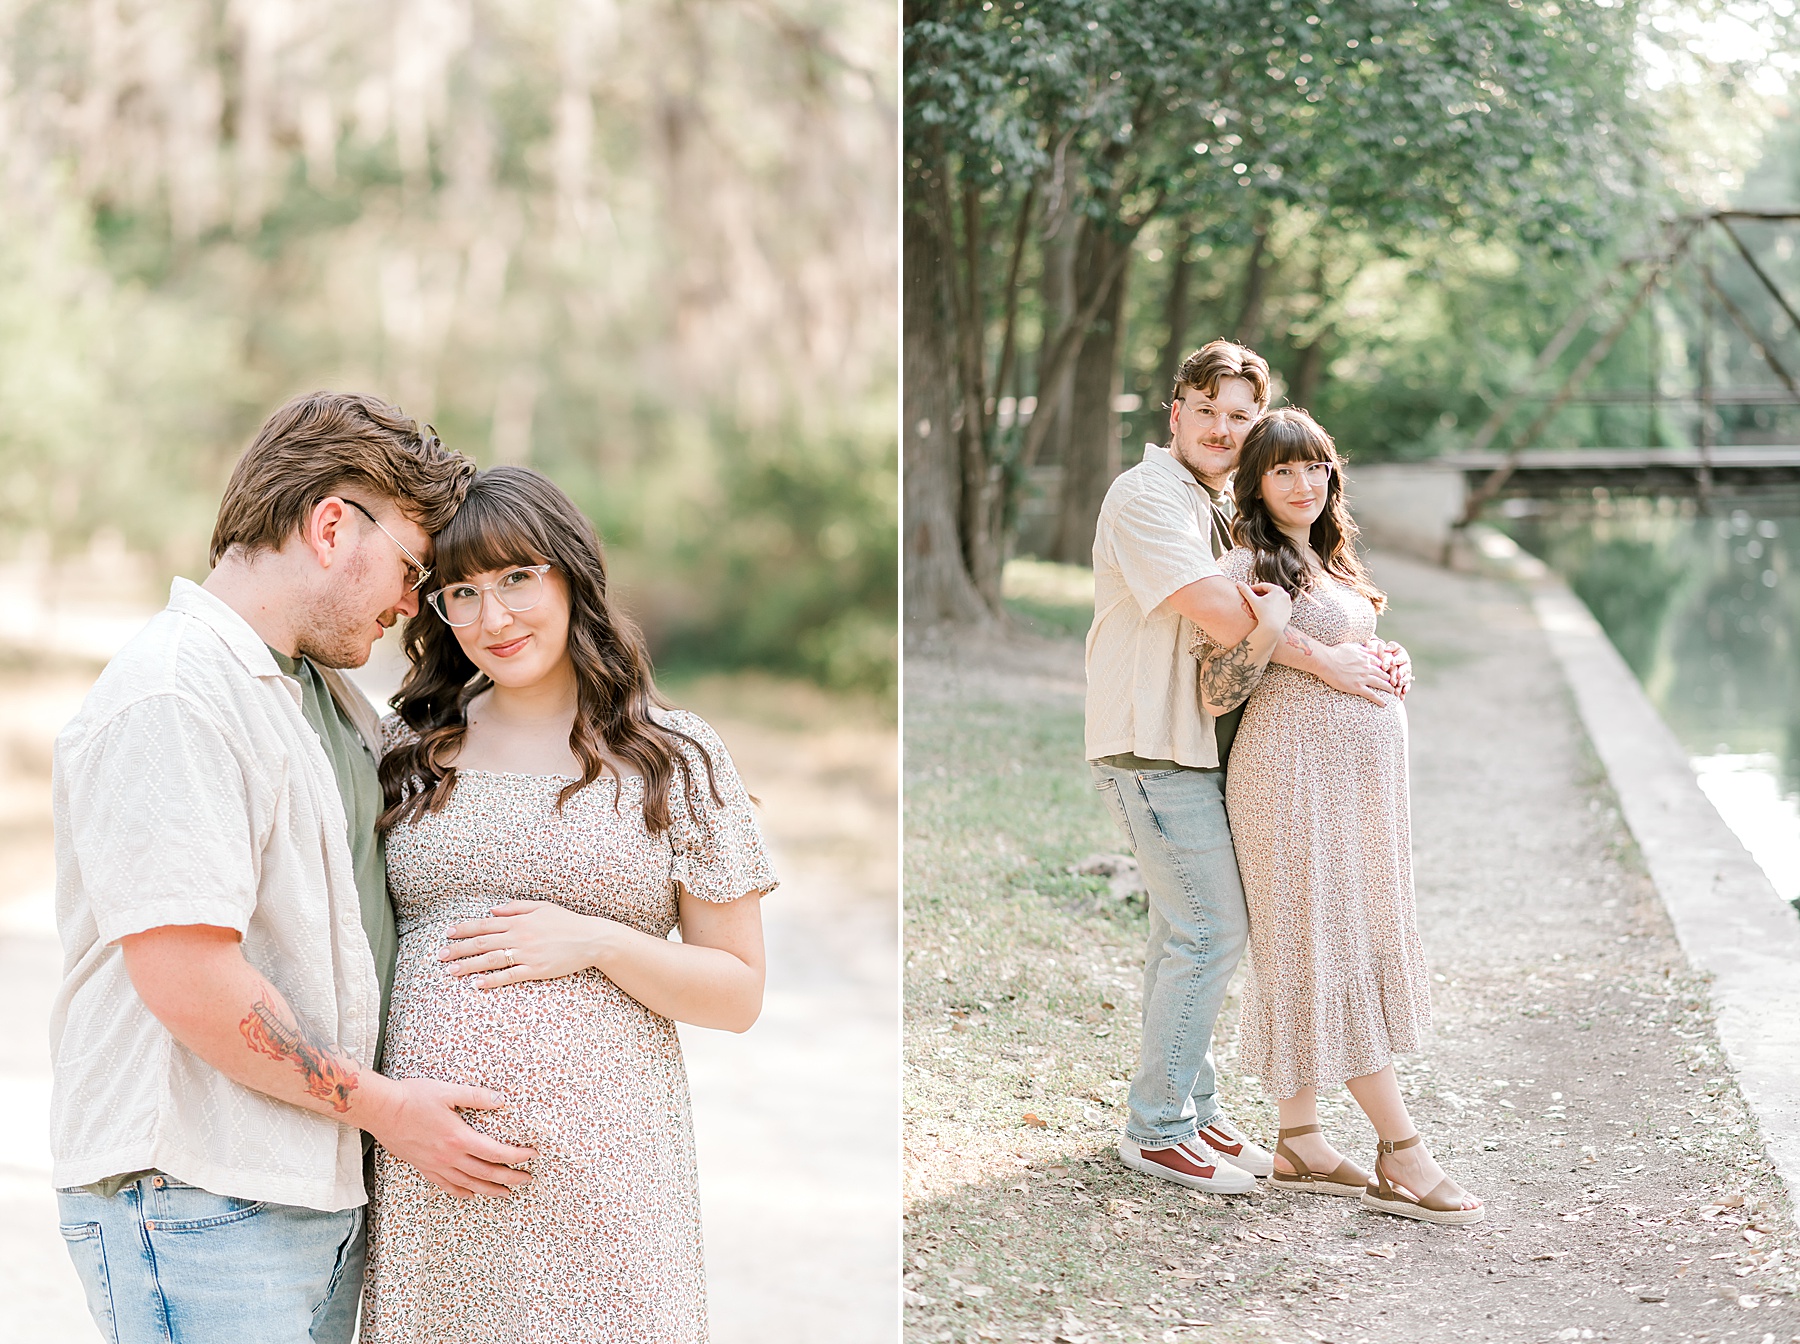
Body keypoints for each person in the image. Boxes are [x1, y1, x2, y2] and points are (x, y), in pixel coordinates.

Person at [49, 392, 540, 1343]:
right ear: (327, 526)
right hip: (197, 1197)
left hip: (298, 1188)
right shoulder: (176, 695)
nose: (413, 606)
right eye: (409, 569)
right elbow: (190, 978)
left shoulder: (317, 695)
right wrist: (389, 1111)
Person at [360, 466, 776, 1343]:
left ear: (571, 573)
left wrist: (596, 941)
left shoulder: (676, 757)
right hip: (435, 1178)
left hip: (606, 1177)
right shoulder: (409, 748)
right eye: (461, 593)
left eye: (518, 578)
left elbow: (738, 993)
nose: (494, 618)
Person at [1087, 340, 1412, 1195]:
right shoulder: (1147, 496)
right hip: (1154, 743)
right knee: (1212, 930)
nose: (1222, 430)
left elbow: (1276, 606)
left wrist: (1369, 652)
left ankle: (1193, 1110)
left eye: (1240, 416)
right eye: (1207, 411)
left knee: (1183, 933)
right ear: (1175, 413)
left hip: (1200, 751)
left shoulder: (1214, 505)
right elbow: (1224, 614)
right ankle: (1157, 1129)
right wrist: (1330, 659)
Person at [1194, 407, 1483, 1225]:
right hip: (1293, 782)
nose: (1304, 483)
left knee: (1317, 946)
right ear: (1255, 481)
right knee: (1326, 949)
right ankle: (1402, 1152)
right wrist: (1313, 656)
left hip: (1350, 788)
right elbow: (1226, 674)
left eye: (1315, 467)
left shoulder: (1321, 558)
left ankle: (1300, 1139)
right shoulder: (1248, 561)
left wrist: (1390, 659)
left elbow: (1350, 646)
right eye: (1283, 469)